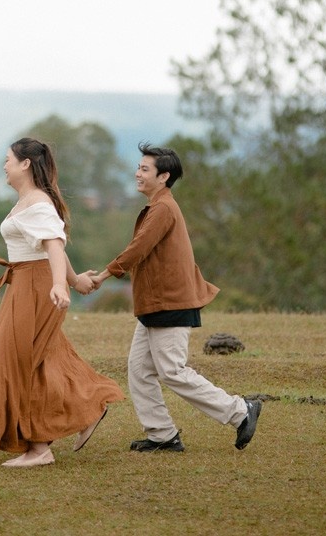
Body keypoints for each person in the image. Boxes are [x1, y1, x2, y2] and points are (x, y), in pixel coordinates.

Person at [90, 142, 261, 453]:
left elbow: (139, 248)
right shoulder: (158, 206)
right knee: (140, 369)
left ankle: (240, 411)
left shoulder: (164, 209)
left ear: (163, 176)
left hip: (171, 302)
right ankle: (163, 435)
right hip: (155, 303)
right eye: (139, 167)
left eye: (145, 169)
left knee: (172, 370)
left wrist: (104, 275)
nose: (137, 173)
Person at [0, 137, 124, 468]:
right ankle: (85, 410)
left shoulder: (37, 203)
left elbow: (54, 245)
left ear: (25, 164)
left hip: (35, 286)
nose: (4, 166)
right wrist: (74, 280)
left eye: (8, 160)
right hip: (25, 282)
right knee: (40, 360)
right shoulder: (28, 201)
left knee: (17, 361)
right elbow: (48, 246)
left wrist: (59, 284)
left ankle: (41, 448)